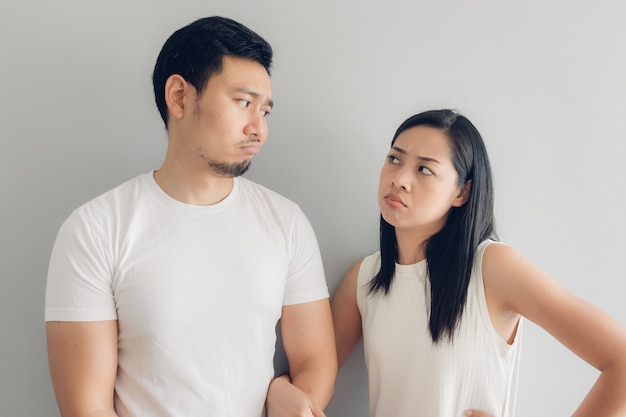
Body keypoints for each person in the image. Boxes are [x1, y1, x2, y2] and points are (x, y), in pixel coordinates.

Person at [45, 16, 336, 417]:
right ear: (179, 96)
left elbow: (315, 363)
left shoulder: (286, 222)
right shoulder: (94, 230)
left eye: (265, 111)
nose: (259, 128)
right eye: (244, 102)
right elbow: (86, 407)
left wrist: (290, 398)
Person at [331, 109, 626, 417]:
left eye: (425, 170)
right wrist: (285, 390)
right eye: (395, 158)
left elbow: (621, 360)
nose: (400, 179)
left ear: (462, 192)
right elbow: (312, 374)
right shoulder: (364, 278)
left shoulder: (493, 267)